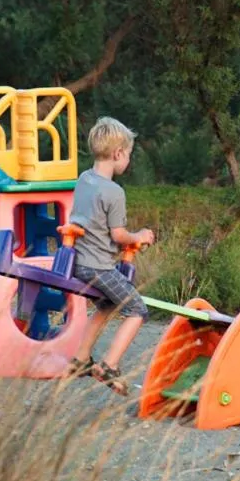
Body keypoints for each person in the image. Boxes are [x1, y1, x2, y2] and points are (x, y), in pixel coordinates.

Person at [65, 117, 155, 395]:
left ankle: (80, 360)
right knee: (137, 310)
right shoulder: (114, 192)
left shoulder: (84, 179)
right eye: (128, 154)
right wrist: (139, 236)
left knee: (106, 306)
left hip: (78, 263)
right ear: (118, 154)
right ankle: (108, 366)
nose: (128, 160)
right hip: (98, 268)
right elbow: (118, 236)